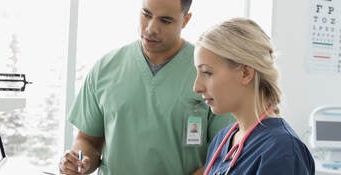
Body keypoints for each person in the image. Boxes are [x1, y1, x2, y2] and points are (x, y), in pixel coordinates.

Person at [58, 0, 234, 174]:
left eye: (165, 20)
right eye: (146, 14)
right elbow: (88, 140)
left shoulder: (208, 72)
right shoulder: (105, 69)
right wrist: (79, 162)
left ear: (186, 20)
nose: (151, 28)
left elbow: (225, 154)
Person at [193, 18, 315, 175]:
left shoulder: (283, 151)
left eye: (207, 73)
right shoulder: (221, 140)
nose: (196, 87)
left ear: (245, 73)